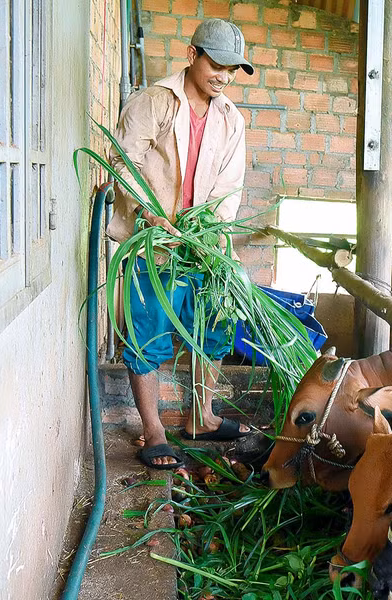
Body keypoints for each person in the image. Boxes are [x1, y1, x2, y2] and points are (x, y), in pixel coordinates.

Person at [106, 19, 255, 469]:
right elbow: (122, 162)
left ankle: (201, 417)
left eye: (232, 70)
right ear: (193, 56)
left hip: (201, 245)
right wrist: (146, 210)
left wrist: (208, 229)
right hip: (151, 244)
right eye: (217, 64)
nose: (224, 77)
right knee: (146, 330)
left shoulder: (231, 120)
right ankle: (153, 430)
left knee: (211, 327)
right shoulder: (154, 102)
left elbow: (230, 187)